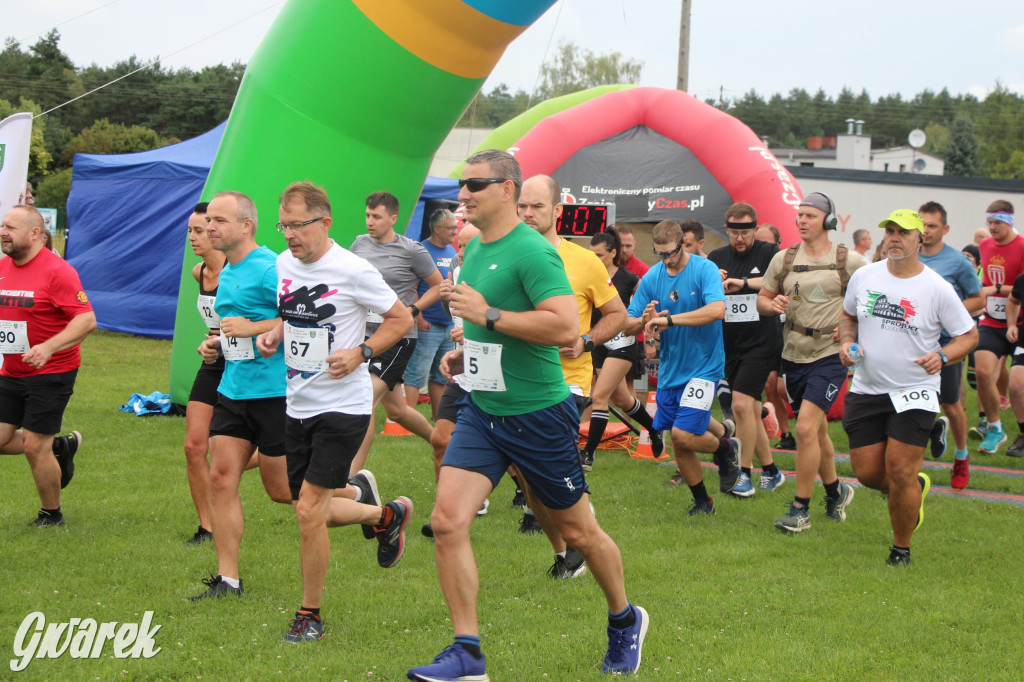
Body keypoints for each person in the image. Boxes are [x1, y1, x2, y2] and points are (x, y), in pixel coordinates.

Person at [408, 150, 648, 680]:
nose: (463, 195)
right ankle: (467, 653)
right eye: (462, 186)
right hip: (483, 405)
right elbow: (487, 326)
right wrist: (466, 348)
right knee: (447, 522)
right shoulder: (475, 250)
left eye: (474, 185)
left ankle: (625, 619)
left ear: (507, 189)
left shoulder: (534, 253)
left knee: (579, 532)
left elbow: (565, 329)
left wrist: (489, 315)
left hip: (538, 412)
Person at [255, 182, 414, 643]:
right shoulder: (284, 264)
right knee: (309, 507)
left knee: (308, 511)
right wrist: (275, 334)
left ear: (324, 222)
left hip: (343, 407)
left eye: (297, 226)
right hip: (297, 404)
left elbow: (402, 319)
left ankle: (310, 615)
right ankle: (384, 516)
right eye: (283, 225)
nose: (288, 235)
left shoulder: (353, 268)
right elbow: (296, 313)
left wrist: (361, 352)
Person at [839, 209, 976, 566]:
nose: (894, 238)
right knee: (869, 474)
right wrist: (847, 343)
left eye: (904, 232)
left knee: (900, 470)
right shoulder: (865, 276)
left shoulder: (936, 287)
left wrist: (943, 357)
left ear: (921, 239)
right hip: (868, 388)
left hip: (915, 390)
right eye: (890, 231)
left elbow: (969, 335)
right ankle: (915, 487)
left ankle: (901, 549)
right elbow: (848, 315)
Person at [516, 173, 627, 578]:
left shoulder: (584, 262)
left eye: (537, 207)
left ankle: (580, 531)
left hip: (567, 380)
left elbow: (618, 316)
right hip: (517, 377)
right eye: (522, 207)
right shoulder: (504, 252)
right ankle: (567, 550)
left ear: (558, 211)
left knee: (543, 472)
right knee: (529, 481)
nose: (528, 214)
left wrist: (585, 341)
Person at [190, 190, 292, 600]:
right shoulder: (226, 270)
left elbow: (302, 315)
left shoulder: (270, 268)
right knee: (220, 475)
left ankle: (366, 500)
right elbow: (232, 327)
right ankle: (227, 579)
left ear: (246, 225)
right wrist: (214, 343)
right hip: (233, 388)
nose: (209, 227)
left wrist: (256, 330)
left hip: (275, 392)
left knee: (282, 491)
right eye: (207, 221)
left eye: (218, 221)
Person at [758, 192, 865, 533]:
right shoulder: (784, 259)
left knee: (804, 428)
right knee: (816, 432)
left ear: (828, 221)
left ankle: (800, 509)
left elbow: (874, 301)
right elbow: (763, 297)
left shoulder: (851, 261)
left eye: (810, 215)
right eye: (799, 215)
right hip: (793, 352)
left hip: (831, 355)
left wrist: (851, 329)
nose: (801, 221)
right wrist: (770, 305)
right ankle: (836, 491)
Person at [624, 219, 741, 513]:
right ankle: (703, 502)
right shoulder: (653, 276)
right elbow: (629, 323)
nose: (666, 260)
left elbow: (717, 310)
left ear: (683, 245)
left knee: (682, 435)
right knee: (681, 442)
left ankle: (726, 449)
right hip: (672, 369)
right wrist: (645, 319)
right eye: (659, 253)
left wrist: (669, 319)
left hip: (704, 365)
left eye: (671, 253)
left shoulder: (705, 269)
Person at [0, 204, 93, 526]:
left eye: (11, 227)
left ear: (35, 233)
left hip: (51, 372)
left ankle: (51, 514)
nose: (3, 232)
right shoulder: (3, 267)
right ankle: (60, 447)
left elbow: (86, 318)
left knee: (33, 446)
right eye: (2, 226)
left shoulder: (58, 271)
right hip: (10, 371)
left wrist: (49, 347)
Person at [349, 191, 443, 473]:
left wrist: (413, 310)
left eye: (376, 216)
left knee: (364, 397)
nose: (370, 222)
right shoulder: (359, 244)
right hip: (364, 333)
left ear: (393, 218)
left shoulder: (411, 250)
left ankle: (350, 477)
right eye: (367, 215)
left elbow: (439, 286)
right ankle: (441, 442)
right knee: (396, 410)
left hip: (398, 336)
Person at [708, 202, 786, 495]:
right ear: (726, 229)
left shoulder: (769, 253)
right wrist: (715, 280)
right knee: (750, 409)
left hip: (762, 342)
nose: (740, 238)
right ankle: (772, 471)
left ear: (755, 228)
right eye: (734, 232)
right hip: (730, 343)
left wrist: (741, 282)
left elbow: (775, 284)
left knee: (739, 405)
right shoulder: (717, 257)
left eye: (746, 231)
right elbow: (707, 292)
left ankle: (744, 474)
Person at [580, 230, 664, 471]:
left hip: (624, 343)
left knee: (600, 395)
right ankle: (654, 428)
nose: (595, 260)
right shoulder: (589, 276)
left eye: (600, 255)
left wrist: (649, 326)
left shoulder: (628, 278)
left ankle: (588, 454)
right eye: (592, 255)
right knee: (622, 398)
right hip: (598, 343)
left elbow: (648, 301)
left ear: (613, 253)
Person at [917, 201, 983, 491]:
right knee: (908, 400)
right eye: (922, 225)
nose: (926, 231)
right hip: (911, 342)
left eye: (932, 226)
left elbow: (978, 300)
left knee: (950, 403)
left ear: (945, 229)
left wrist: (947, 313)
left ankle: (961, 456)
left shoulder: (958, 262)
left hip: (947, 345)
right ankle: (931, 430)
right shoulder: (907, 257)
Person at [422, 222, 482, 539]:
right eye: (458, 245)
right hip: (463, 371)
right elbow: (456, 316)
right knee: (440, 439)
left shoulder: (501, 273)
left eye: (466, 246)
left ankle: (530, 502)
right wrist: (447, 299)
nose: (458, 253)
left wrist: (473, 332)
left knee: (513, 455)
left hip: (495, 373)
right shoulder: (457, 271)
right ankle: (444, 511)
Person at [183, 202, 225, 544]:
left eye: (199, 231)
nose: (194, 238)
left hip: (247, 364)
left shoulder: (237, 271)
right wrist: (212, 341)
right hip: (213, 362)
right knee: (194, 447)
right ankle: (207, 526)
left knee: (270, 460)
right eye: (191, 231)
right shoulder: (199, 273)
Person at [972, 200, 1023, 454]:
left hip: (1020, 322)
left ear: (1009, 222)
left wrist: (998, 290)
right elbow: (986, 279)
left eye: (997, 223)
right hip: (991, 320)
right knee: (982, 371)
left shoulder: (1022, 246)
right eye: (989, 222)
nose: (991, 228)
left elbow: (1021, 286)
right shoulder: (984, 245)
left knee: (1018, 381)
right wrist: (982, 295)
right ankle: (995, 428)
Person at [404, 209, 458, 418]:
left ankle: (438, 416)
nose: (454, 231)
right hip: (428, 324)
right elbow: (413, 287)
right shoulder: (422, 250)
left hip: (448, 324)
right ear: (437, 228)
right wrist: (419, 318)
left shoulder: (452, 251)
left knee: (441, 375)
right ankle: (407, 418)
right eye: (450, 227)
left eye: (455, 227)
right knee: (417, 372)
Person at [754, 223, 796, 449]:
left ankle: (808, 427)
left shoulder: (789, 265)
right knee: (770, 384)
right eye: (759, 243)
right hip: (768, 332)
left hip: (791, 334)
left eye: (768, 243)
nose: (763, 248)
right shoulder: (756, 266)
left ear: (778, 243)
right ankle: (786, 434)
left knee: (782, 387)